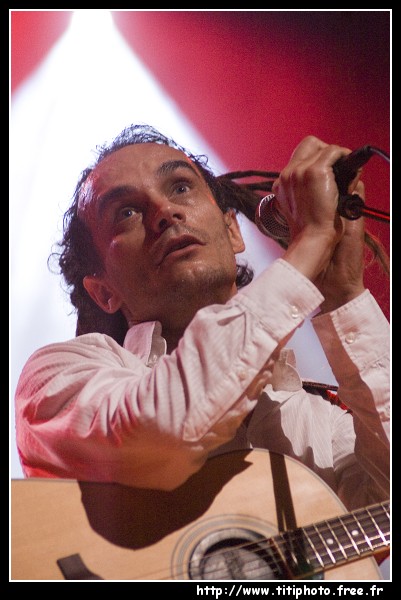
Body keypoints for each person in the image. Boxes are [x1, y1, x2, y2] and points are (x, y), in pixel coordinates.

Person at [14, 124, 389, 516]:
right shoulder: (57, 377)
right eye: (126, 212)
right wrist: (311, 241)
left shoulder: (322, 421)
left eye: (180, 187)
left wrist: (345, 293)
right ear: (104, 291)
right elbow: (167, 428)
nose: (165, 212)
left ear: (233, 232)